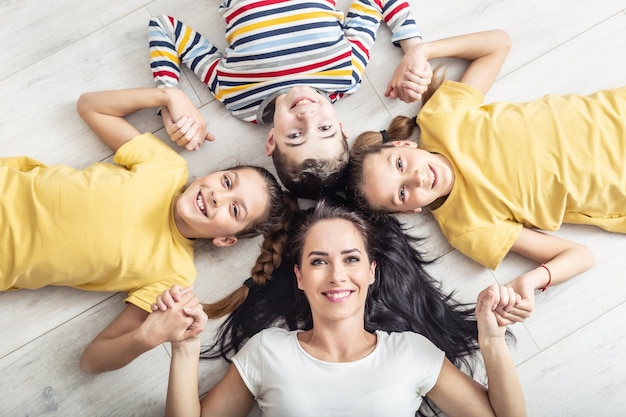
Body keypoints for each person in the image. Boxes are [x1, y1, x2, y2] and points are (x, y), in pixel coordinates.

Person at [0, 87, 293, 374]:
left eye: (234, 209)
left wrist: (148, 337)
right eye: (227, 182)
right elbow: (90, 106)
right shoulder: (165, 165)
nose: (219, 196)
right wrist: (169, 95)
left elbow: (92, 360)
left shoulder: (173, 275)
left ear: (225, 239)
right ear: (212, 174)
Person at [345, 28, 626, 317]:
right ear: (411, 210)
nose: (417, 178)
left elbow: (498, 44)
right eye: (402, 193)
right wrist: (529, 281)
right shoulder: (467, 228)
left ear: (403, 144)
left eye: (400, 164)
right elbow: (579, 256)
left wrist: (422, 51)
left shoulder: (440, 117)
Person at [158, 200, 526, 417]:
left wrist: (491, 342)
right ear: (300, 277)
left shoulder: (412, 353)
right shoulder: (268, 350)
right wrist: (185, 350)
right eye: (319, 262)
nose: (337, 276)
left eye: (351, 259)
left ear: (370, 271)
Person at [147, 0, 433, 198]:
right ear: (341, 126)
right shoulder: (346, 73)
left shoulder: (239, 97)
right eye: (325, 129)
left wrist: (171, 98)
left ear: (271, 140)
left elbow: (165, 27)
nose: (308, 117)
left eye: (295, 135)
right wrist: (414, 50)